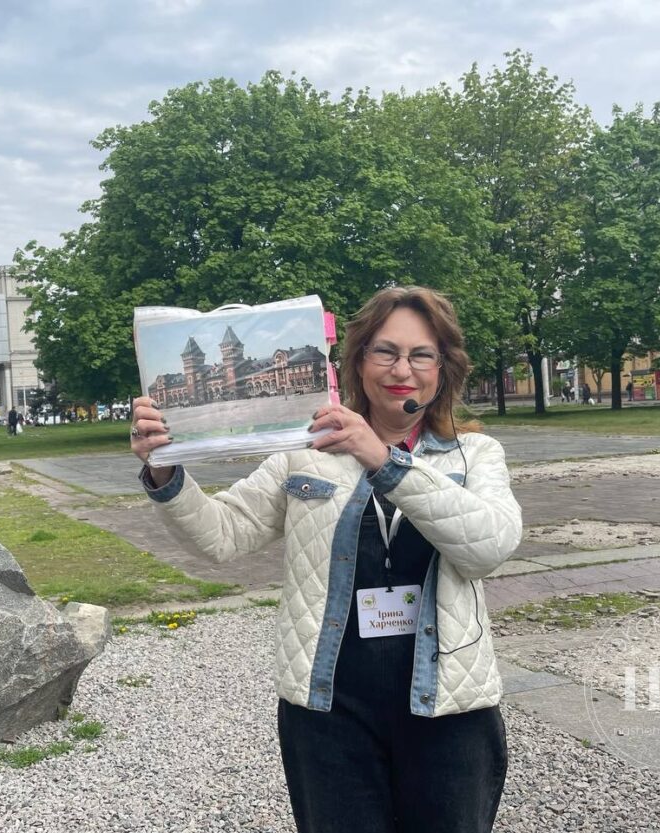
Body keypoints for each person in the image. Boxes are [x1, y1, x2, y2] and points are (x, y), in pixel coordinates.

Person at [130, 286, 521, 833]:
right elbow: (224, 535)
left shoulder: (474, 454)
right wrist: (166, 473)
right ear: (358, 361)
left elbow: (489, 547)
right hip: (330, 706)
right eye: (384, 351)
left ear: (443, 366)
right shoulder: (304, 451)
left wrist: (385, 462)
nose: (401, 369)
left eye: (421, 354)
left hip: (449, 705)